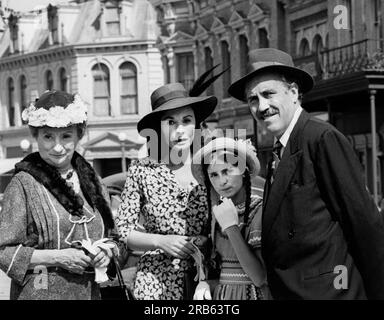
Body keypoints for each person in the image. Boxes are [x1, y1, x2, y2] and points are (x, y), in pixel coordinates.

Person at [227, 48, 384, 299]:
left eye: (268, 94)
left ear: (294, 92)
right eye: (253, 100)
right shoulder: (280, 150)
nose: (262, 106)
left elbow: (364, 224)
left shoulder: (321, 138)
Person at [0, 90, 118, 300]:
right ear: (35, 135)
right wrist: (59, 258)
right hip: (40, 292)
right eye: (47, 136)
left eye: (66, 136)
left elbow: (114, 239)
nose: (57, 146)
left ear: (78, 136)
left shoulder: (93, 181)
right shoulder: (24, 183)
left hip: (89, 294)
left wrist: (106, 254)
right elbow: (3, 251)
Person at [115, 82, 217, 300]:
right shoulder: (141, 170)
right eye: (171, 122)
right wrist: (161, 241)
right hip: (155, 282)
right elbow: (123, 231)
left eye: (186, 121)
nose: (179, 130)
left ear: (196, 125)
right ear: (158, 128)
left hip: (207, 278)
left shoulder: (212, 167)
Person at [191, 137, 270, 300]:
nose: (222, 181)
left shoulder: (259, 210)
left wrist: (231, 228)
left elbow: (259, 277)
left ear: (243, 170)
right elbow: (225, 274)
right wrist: (206, 283)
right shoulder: (217, 214)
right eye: (214, 175)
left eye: (227, 171)